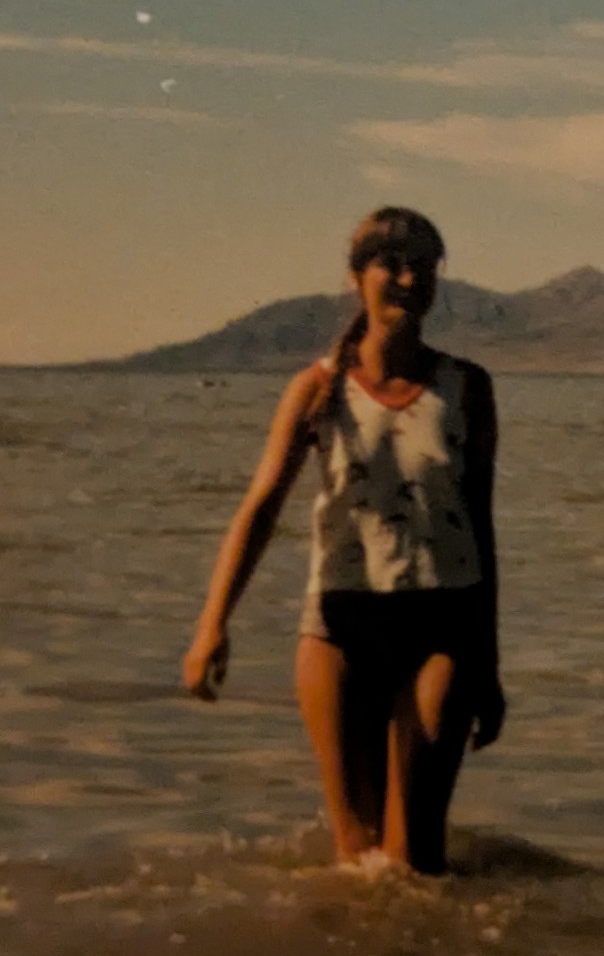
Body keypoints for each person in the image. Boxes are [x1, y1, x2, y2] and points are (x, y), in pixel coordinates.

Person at [182, 207, 505, 875]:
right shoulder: (315, 389)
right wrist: (213, 624)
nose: (409, 279)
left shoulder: (467, 388)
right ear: (357, 277)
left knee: (416, 859)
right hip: (339, 627)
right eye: (392, 263)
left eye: (424, 266)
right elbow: (261, 507)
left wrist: (489, 665)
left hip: (441, 627)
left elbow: (480, 523)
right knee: (356, 858)